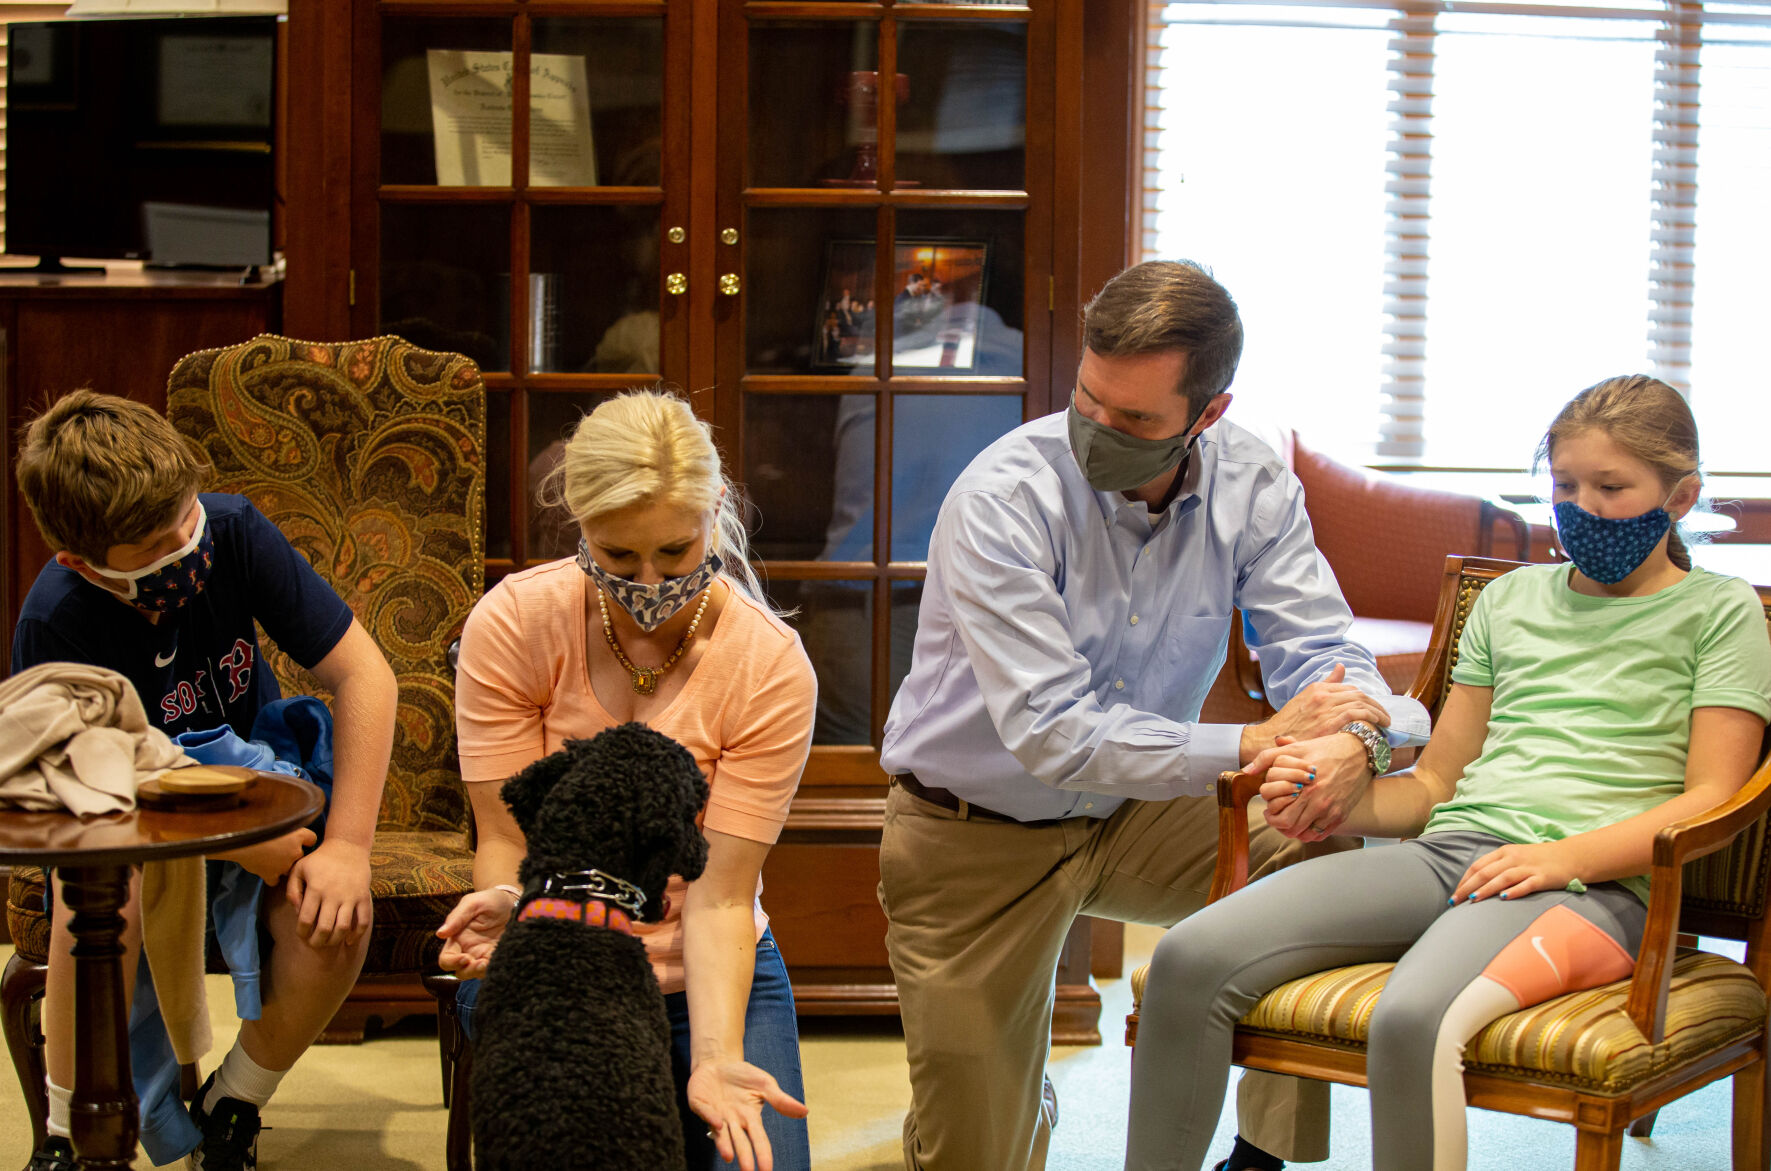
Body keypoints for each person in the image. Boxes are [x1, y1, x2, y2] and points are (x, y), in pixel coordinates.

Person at [1125, 374, 1771, 1171]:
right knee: (1189, 956)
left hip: (1593, 890)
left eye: (1611, 486)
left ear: (1679, 498)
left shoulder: (1721, 610)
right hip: (1454, 854)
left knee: (1413, 1018)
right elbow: (1433, 788)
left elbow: (1712, 795)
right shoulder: (1507, 602)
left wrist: (1560, 858)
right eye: (1564, 485)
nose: (1582, 507)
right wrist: (1339, 805)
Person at [877, 258, 1431, 1171]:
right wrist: (1256, 739)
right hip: (972, 832)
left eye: (1134, 420)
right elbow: (1052, 733)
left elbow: (1327, 656)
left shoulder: (1250, 481)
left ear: (1206, 414)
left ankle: (1260, 1155)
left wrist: (1353, 741)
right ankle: (1009, 1086)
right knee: (975, 1147)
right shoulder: (1002, 498)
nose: (1098, 430)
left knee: (1318, 820)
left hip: (1139, 813)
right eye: (1088, 400)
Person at [10, 390, 398, 1171]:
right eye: (157, 543)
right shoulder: (56, 619)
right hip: (125, 825)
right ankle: (64, 1134)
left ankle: (233, 1104)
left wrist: (349, 844)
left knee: (335, 919)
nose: (186, 544)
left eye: (186, 516)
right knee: (96, 894)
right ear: (81, 563)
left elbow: (365, 676)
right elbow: (85, 802)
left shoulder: (235, 531)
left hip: (257, 799)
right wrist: (233, 843)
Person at [435, 390, 815, 1171]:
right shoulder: (512, 622)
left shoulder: (769, 665)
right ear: (579, 526)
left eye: (675, 552)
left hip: (698, 966)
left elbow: (717, 895)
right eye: (616, 557)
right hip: (549, 948)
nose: (649, 579)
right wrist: (513, 902)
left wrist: (714, 1054)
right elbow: (507, 839)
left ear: (714, 511)